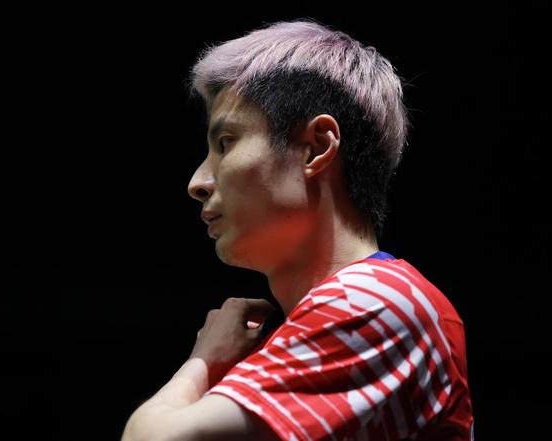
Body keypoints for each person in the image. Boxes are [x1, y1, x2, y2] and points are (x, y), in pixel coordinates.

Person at [121, 19, 473, 441]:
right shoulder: (328, 321)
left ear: (317, 147)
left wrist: (203, 361)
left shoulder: (376, 302)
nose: (197, 182)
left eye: (226, 142)